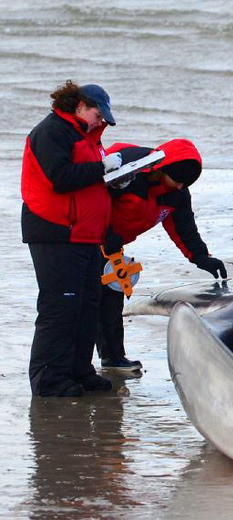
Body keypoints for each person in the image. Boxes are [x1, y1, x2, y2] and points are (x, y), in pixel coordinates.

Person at [22, 80, 123, 397]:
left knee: (86, 306)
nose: (101, 120)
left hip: (85, 235)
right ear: (80, 106)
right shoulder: (52, 131)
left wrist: (115, 176)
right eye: (98, 113)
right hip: (56, 233)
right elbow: (60, 178)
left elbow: (87, 180)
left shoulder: (85, 137)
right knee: (60, 308)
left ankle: (79, 370)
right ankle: (49, 379)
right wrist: (101, 169)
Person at [98, 138, 227, 371]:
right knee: (84, 303)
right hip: (82, 238)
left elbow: (183, 228)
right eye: (177, 180)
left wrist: (201, 257)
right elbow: (91, 198)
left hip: (112, 248)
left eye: (185, 184)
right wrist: (105, 232)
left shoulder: (177, 194)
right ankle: (77, 365)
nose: (180, 187)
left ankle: (113, 358)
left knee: (111, 301)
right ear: (162, 169)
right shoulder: (129, 170)